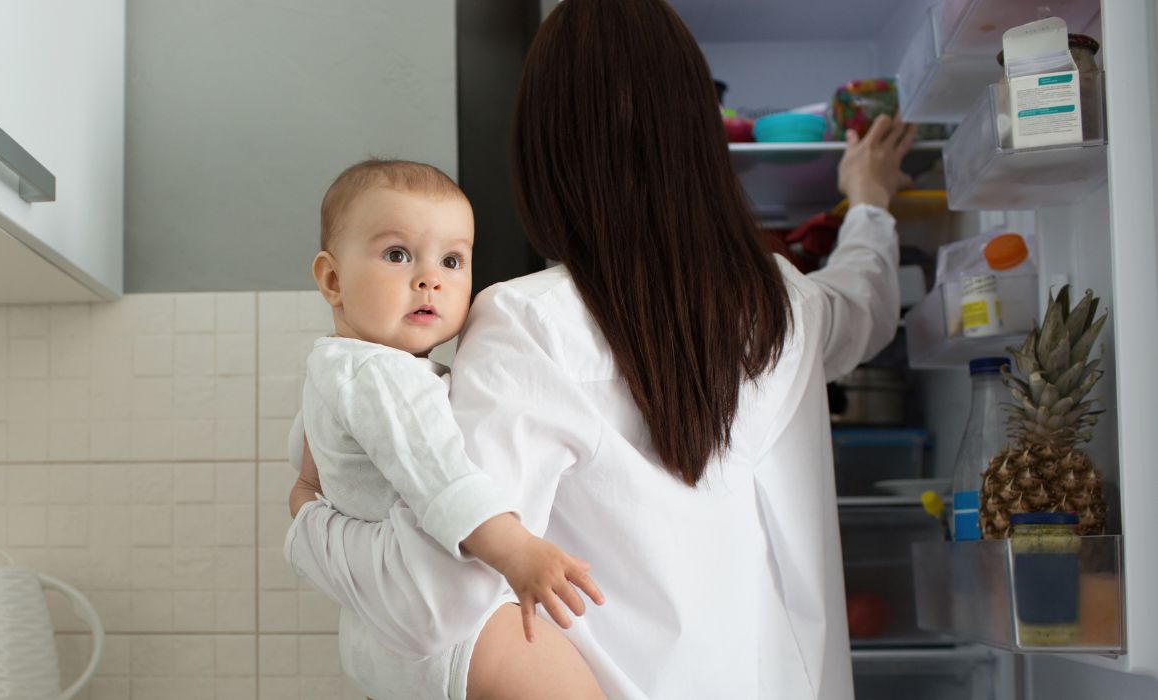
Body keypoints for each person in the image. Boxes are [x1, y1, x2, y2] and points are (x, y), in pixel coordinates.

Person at [287, 0, 915, 697]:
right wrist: (869, 203)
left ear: (543, 153)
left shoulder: (532, 322)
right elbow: (866, 302)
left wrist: (309, 520)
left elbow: (436, 601)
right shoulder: (786, 302)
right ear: (701, 140)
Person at [293, 158, 605, 700]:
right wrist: (519, 552)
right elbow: (444, 480)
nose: (429, 279)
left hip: (382, 636)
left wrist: (303, 505)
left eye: (452, 260)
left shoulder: (332, 369)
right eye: (397, 254)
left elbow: (310, 474)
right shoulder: (381, 375)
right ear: (333, 279)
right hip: (465, 633)